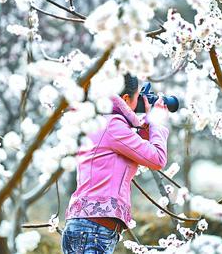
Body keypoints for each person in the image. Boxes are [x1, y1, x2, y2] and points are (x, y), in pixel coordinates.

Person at [62, 74, 169, 254]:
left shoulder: (96, 121)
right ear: (125, 99)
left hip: (84, 227)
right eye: (137, 98)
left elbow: (136, 146)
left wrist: (146, 124)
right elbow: (157, 158)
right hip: (93, 231)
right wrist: (157, 121)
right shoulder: (113, 125)